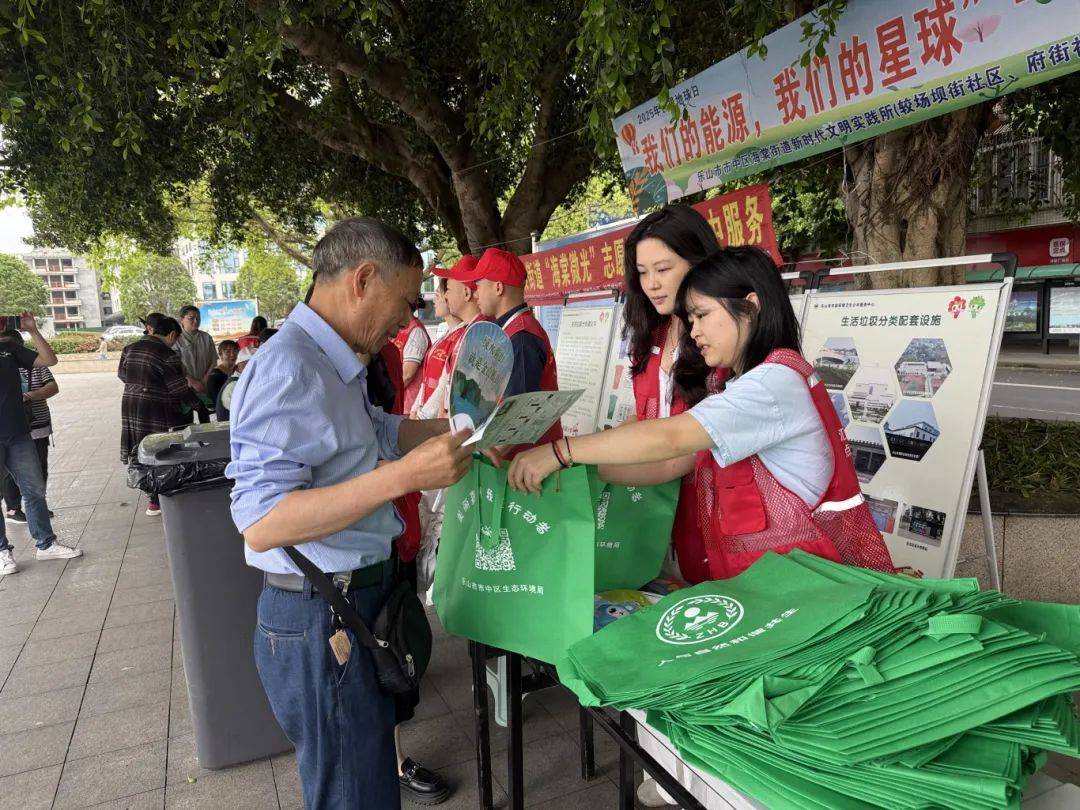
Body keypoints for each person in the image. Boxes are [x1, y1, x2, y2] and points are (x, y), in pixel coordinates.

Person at [227, 217, 476, 809]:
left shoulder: (333, 359)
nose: (408, 322)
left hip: (351, 602)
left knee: (365, 781)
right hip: (324, 615)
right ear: (363, 279)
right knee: (353, 793)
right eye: (406, 302)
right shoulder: (290, 366)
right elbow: (261, 521)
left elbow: (373, 433)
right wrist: (405, 477)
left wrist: (462, 430)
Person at [508, 247, 895, 579]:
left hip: (803, 593)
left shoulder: (772, 384)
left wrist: (561, 451)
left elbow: (670, 437)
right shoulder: (738, 384)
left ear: (750, 306)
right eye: (690, 320)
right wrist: (573, 469)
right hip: (770, 589)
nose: (693, 332)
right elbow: (669, 462)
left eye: (702, 315)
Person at [362, 341, 451, 806]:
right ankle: (389, 761)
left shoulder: (386, 354)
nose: (405, 319)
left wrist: (452, 432)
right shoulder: (312, 365)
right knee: (377, 659)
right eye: (404, 307)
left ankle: (389, 755)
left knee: (397, 645)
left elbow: (388, 426)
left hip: (398, 522)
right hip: (359, 545)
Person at [623, 205, 723, 586]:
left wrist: (579, 460)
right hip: (653, 520)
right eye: (642, 272)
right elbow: (645, 418)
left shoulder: (722, 345)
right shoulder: (653, 335)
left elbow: (679, 450)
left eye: (663, 269)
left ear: (698, 264)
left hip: (712, 521)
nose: (652, 284)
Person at [456, 248, 561, 457]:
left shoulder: (521, 337)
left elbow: (518, 412)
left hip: (524, 462)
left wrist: (483, 456)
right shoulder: (511, 330)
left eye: (478, 285)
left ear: (498, 287)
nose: (475, 294)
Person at [0, 313, 83, 575]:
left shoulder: (9, 349)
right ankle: (2, 552)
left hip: (18, 433)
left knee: (34, 489)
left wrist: (33, 331)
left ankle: (45, 544)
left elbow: (49, 360)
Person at [119, 316, 204, 516]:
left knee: (142, 448)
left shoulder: (129, 349)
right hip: (157, 408)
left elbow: (122, 375)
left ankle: (152, 499)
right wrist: (198, 406)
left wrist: (142, 385)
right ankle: (161, 498)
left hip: (131, 404)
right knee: (162, 450)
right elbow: (178, 389)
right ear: (172, 334)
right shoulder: (167, 354)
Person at [413, 256, 482, 420]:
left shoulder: (478, 334)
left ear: (466, 293)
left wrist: (423, 417)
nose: (445, 297)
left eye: (448, 290)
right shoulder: (467, 333)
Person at [1, 330, 59, 524]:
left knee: (36, 477)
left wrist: (29, 396)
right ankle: (13, 509)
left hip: (32, 428)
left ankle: (43, 531)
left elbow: (52, 378)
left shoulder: (31, 363)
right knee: (9, 477)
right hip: (10, 431)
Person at [176, 305, 217, 422]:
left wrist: (205, 380)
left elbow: (213, 360)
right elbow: (175, 365)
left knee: (206, 419)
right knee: (186, 421)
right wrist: (192, 381)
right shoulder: (177, 339)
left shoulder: (206, 337)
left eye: (198, 318)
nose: (196, 321)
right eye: (191, 318)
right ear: (182, 319)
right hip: (185, 387)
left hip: (204, 385)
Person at [390, 301, 431, 414]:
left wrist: (388, 394)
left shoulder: (416, 331)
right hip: (400, 404)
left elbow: (407, 375)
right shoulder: (399, 329)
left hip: (408, 407)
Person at [206, 339, 239, 407]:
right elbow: (217, 401)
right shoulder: (214, 377)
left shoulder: (239, 370)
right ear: (220, 355)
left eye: (235, 351)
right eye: (228, 352)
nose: (232, 354)